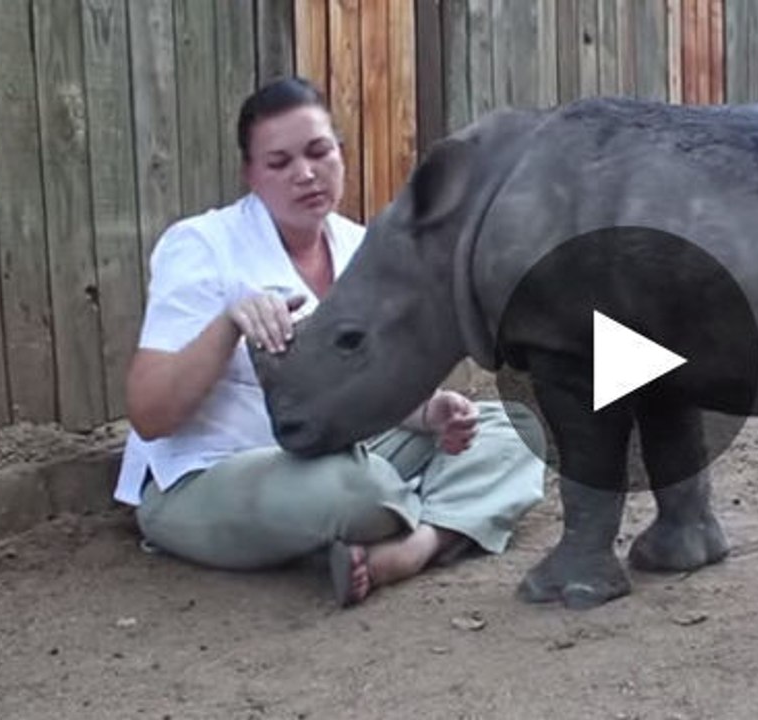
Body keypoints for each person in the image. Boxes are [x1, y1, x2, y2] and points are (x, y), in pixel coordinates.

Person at [113, 76, 545, 608]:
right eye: (280, 163)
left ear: (341, 153)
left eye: (319, 152)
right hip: (209, 476)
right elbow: (151, 415)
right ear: (249, 174)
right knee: (356, 490)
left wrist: (430, 415)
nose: (306, 174)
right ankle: (433, 515)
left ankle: (413, 547)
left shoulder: (360, 246)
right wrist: (228, 326)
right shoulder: (201, 246)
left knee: (520, 429)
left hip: (336, 450)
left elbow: (371, 394)